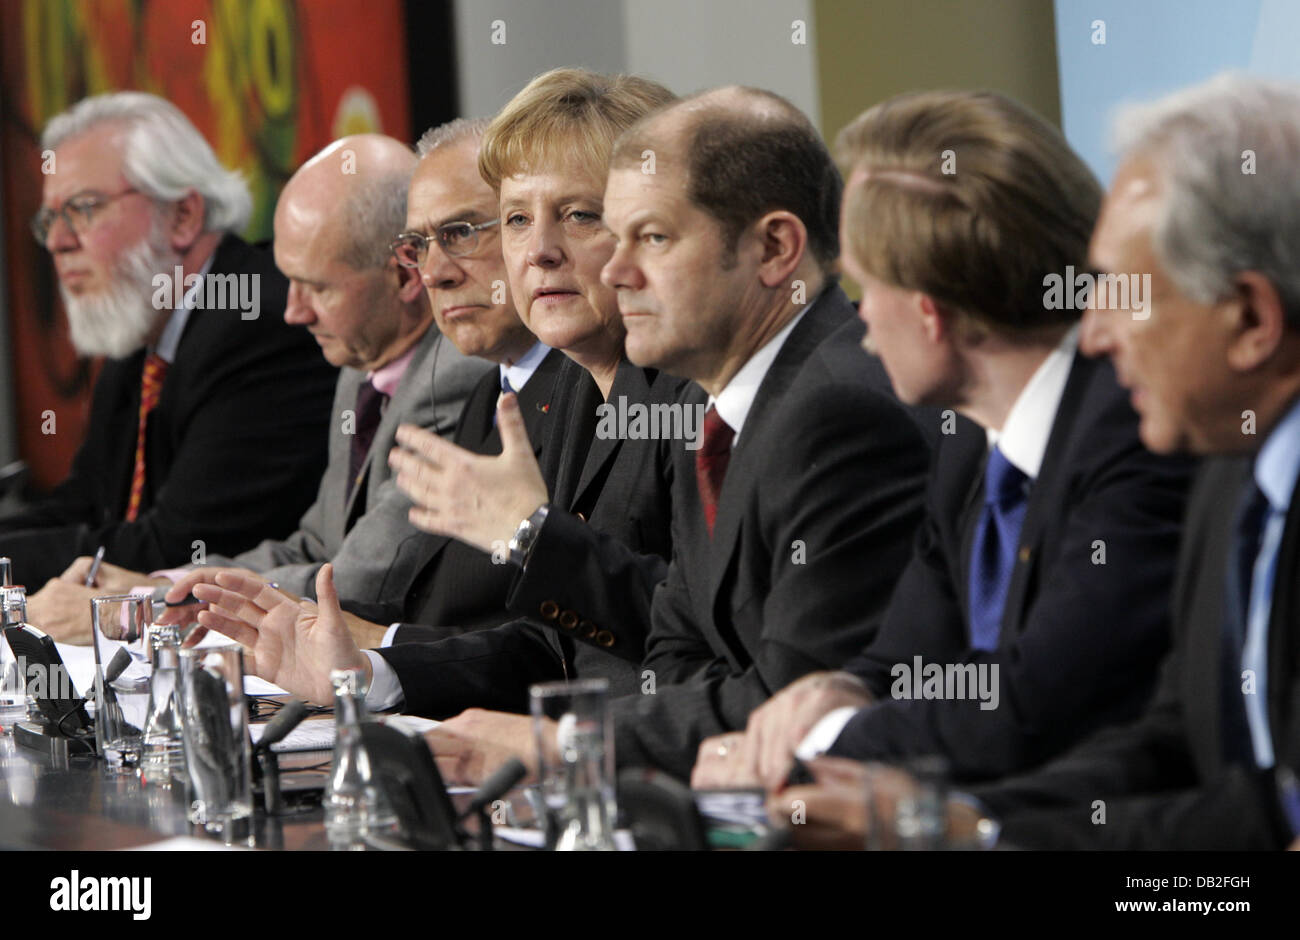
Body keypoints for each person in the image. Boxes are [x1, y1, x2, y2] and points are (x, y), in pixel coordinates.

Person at [782, 74, 1300, 850]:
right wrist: (971, 831)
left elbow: (1259, 815)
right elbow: (1172, 750)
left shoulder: (1158, 447)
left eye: (1123, 295)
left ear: (1252, 317)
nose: (1093, 335)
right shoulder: (1231, 470)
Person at [404, 85, 933, 783]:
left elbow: (794, 701)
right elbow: (676, 648)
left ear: (775, 249)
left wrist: (562, 747)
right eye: (515, 221)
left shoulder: (834, 411)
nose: (618, 272)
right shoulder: (716, 397)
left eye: (648, 237)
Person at [692, 89, 1194, 792]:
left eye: (867, 291)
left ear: (929, 312)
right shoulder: (966, 443)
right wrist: (838, 691)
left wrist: (807, 747)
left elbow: (1031, 707)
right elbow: (905, 660)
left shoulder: (1135, 434)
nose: (861, 327)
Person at [182, 70, 686, 725]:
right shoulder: (573, 386)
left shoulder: (694, 398)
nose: (537, 252)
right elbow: (552, 650)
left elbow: (703, 638)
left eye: (578, 215)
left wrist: (533, 540)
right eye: (514, 221)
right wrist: (368, 674)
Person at [49, 133, 492, 644]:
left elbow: (359, 581)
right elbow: (312, 545)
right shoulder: (358, 367)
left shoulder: (457, 375)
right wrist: (162, 583)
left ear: (405, 274)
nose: (293, 311)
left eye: (318, 287)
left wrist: (160, 600)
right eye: (289, 280)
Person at [0, 91, 337, 638]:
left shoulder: (259, 323)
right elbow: (85, 503)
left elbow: (174, 543)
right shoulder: (143, 336)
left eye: (83, 209)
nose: (59, 242)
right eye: (49, 220)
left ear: (183, 215)